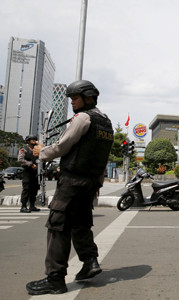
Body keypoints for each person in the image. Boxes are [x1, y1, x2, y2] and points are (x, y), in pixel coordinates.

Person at [26, 80, 114, 295]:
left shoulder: (83, 118)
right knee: (81, 223)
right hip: (90, 183)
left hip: (72, 181)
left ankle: (55, 279)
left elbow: (63, 145)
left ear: (88, 97)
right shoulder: (106, 123)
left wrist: (42, 152)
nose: (72, 102)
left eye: (75, 98)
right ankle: (90, 263)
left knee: (58, 226)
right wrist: (98, 183)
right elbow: (102, 159)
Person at [17, 135, 41, 213]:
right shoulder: (24, 149)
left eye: (35, 139)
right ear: (28, 141)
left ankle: (32, 205)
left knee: (34, 189)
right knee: (26, 189)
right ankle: (23, 206)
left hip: (35, 172)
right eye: (32, 140)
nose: (34, 141)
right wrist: (30, 164)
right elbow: (20, 159)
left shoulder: (37, 150)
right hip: (27, 171)